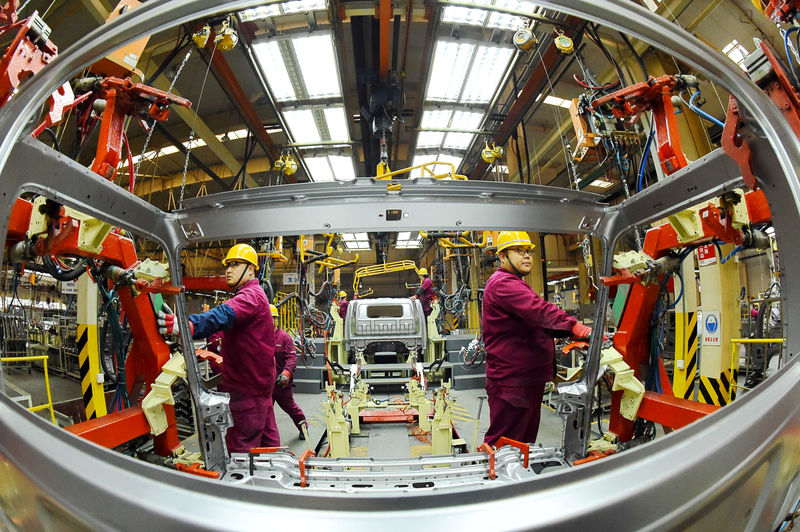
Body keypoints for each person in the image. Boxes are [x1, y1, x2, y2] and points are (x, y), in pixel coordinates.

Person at [157, 243, 279, 452]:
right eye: (227, 265)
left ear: (251, 269)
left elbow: (223, 315)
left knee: (241, 450)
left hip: (247, 392)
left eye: (235, 264)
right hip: (259, 387)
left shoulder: (251, 296)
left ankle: (238, 485)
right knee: (269, 444)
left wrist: (186, 326)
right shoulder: (255, 295)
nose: (228, 270)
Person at [481, 231, 594, 446]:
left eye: (529, 252)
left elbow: (532, 321)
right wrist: (575, 327)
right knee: (505, 443)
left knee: (522, 442)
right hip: (513, 381)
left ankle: (517, 476)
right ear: (502, 256)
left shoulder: (514, 282)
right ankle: (500, 478)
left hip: (525, 380)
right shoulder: (503, 284)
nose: (527, 256)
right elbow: (538, 311)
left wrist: (560, 332)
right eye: (519, 251)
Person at [270, 304, 308, 440]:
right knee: (264, 413)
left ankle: (304, 427)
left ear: (276, 320)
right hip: (266, 384)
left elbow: (291, 358)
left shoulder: (284, 337)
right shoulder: (260, 338)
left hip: (281, 383)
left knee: (291, 408)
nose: (270, 321)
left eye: (273, 318)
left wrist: (286, 374)